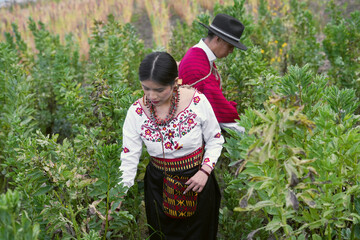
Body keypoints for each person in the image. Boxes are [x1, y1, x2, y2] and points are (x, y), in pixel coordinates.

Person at [119, 52, 224, 239]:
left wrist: (205, 171)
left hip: (197, 180)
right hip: (158, 185)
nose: (151, 96)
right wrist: (118, 195)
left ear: (175, 82)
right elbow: (129, 157)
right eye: (146, 88)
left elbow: (215, 138)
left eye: (159, 90)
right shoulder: (136, 112)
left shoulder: (197, 101)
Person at [178, 13, 247, 133]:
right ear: (217, 39)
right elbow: (219, 115)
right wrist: (252, 133)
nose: (231, 51)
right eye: (230, 46)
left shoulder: (199, 54)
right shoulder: (198, 66)